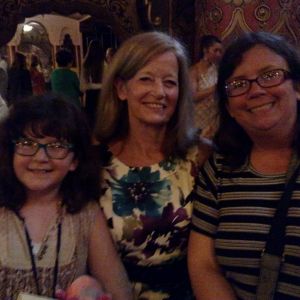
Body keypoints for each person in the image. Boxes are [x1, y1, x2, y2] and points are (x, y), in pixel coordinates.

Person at [94, 31, 211, 299]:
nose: (159, 92)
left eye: (170, 82)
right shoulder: (95, 161)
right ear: (122, 88)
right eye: (146, 79)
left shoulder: (201, 156)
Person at [188, 31, 300, 299]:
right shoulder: (219, 169)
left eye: (270, 75)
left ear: (296, 87)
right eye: (238, 84)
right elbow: (203, 265)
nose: (256, 90)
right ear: (228, 107)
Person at [0, 95, 132, 300]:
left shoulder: (86, 214)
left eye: (57, 146)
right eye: (27, 143)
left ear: (75, 161)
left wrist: (94, 291)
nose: (40, 157)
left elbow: (120, 293)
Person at [189, 34, 223, 139]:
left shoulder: (217, 70)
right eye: (215, 50)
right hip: (198, 118)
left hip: (214, 117)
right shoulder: (194, 71)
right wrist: (215, 88)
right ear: (205, 50)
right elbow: (192, 97)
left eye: (220, 51)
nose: (218, 54)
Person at [80, 40, 104, 130]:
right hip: (101, 94)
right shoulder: (104, 63)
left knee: (91, 120)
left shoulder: (85, 64)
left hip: (90, 95)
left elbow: (83, 86)